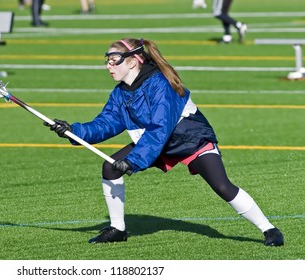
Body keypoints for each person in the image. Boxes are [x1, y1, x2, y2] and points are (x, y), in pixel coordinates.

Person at [44, 38, 284, 247]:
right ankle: (118, 230)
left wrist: (134, 161)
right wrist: (74, 131)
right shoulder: (120, 93)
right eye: (107, 59)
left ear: (132, 61)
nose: (108, 65)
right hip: (155, 143)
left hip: (189, 138)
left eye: (114, 59)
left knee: (222, 186)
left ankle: (269, 229)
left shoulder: (160, 84)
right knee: (110, 167)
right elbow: (106, 123)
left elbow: (161, 127)